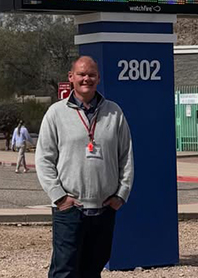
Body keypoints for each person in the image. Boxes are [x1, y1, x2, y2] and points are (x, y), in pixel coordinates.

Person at [36, 56, 134, 278]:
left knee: (93, 268)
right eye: (81, 74)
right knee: (64, 271)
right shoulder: (56, 113)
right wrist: (59, 197)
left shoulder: (114, 112)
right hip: (70, 209)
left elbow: (126, 156)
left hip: (105, 208)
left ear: (98, 78)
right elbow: (43, 159)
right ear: (71, 78)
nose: (86, 79)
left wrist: (121, 194)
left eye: (91, 74)